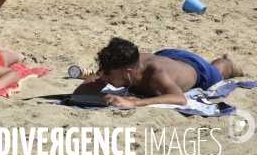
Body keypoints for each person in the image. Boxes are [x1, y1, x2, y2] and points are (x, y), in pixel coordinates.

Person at [73, 37, 244, 108]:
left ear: (129, 72)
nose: (102, 77)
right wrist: (109, 97)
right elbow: (80, 91)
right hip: (165, 55)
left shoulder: (156, 75)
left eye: (107, 74)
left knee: (219, 72)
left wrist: (135, 103)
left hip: (195, 69)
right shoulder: (115, 66)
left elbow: (179, 99)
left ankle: (229, 61)